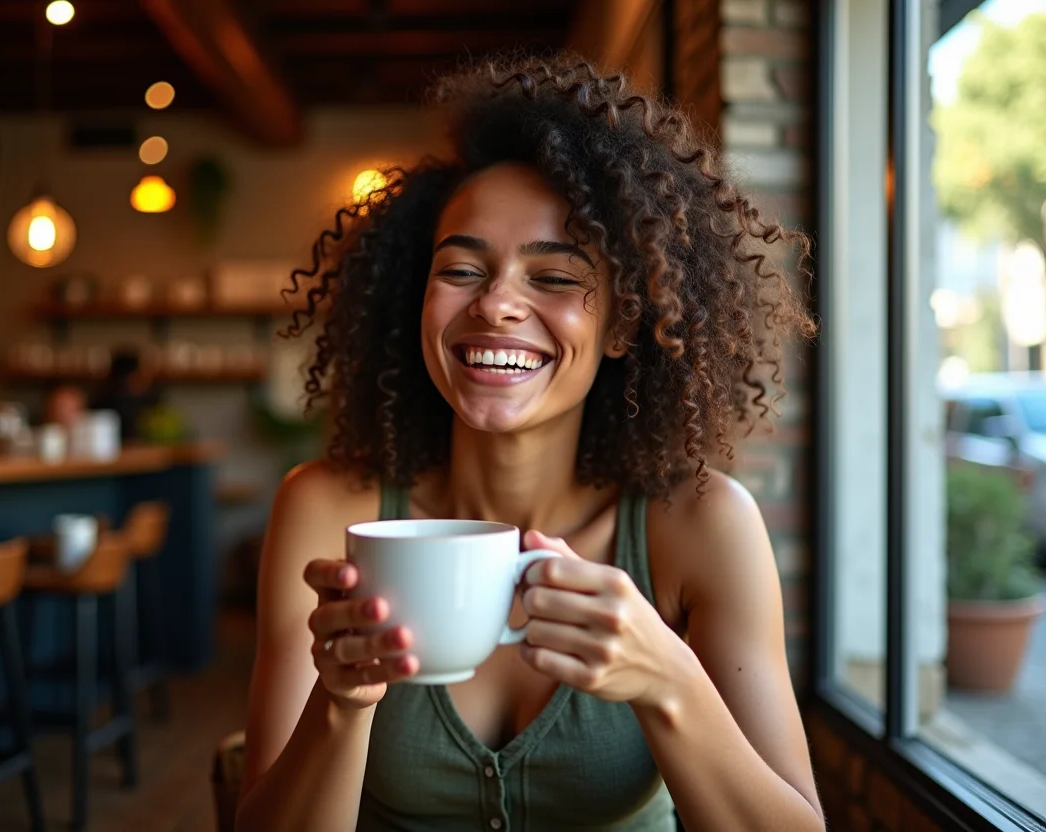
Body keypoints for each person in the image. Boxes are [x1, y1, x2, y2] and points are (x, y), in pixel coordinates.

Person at [238, 54, 824, 831]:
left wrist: (667, 681)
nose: (497, 305)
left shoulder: (702, 525)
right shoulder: (327, 510)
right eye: (462, 269)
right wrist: (341, 706)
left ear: (622, 325)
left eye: (553, 277)